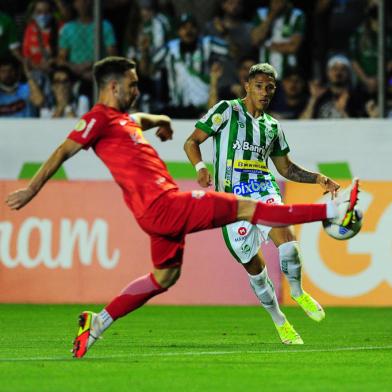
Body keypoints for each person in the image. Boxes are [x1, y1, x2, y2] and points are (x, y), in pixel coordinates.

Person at [5, 56, 359, 358]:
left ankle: (96, 323)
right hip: (167, 204)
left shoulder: (121, 120)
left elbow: (137, 121)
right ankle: (334, 211)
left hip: (155, 216)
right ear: (113, 87)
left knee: (164, 277)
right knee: (253, 209)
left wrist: (159, 120)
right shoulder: (98, 118)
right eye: (132, 84)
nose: (137, 90)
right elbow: (63, 150)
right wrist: (32, 189)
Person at [184, 63, 340, 344]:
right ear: (247, 87)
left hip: (263, 190)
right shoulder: (226, 110)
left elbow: (286, 168)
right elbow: (191, 142)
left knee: (288, 242)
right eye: (259, 86)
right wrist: (200, 168)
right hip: (231, 203)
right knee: (255, 270)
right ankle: (280, 321)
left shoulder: (272, 127)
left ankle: (298, 291)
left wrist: (318, 178)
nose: (264, 92)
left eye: (270, 87)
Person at [140, 13, 229, 117]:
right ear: (178, 31)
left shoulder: (207, 43)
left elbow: (233, 51)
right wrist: (144, 51)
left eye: (192, 27)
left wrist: (225, 33)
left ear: (198, 30)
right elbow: (147, 71)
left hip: (203, 108)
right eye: (184, 27)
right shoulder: (170, 48)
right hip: (177, 108)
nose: (188, 31)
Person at [251, 0, 305, 80]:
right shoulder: (261, 13)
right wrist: (271, 16)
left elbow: (293, 47)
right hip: (265, 75)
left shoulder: (296, 15)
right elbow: (255, 40)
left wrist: (267, 45)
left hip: (288, 75)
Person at [301, 55, 366, 119]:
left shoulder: (356, 96)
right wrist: (313, 99)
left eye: (343, 69)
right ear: (328, 72)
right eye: (334, 69)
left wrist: (342, 111)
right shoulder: (319, 95)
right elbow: (301, 125)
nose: (338, 72)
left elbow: (357, 128)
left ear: (348, 73)